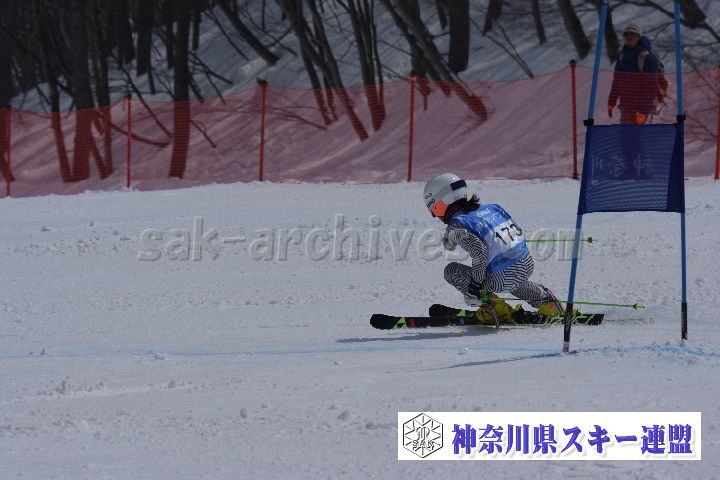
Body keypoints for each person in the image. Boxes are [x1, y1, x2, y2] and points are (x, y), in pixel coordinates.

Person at [423, 173, 563, 322]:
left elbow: (479, 250)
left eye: (434, 211)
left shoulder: (456, 224)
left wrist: (475, 285)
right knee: (513, 278)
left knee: (451, 271)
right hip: (526, 263)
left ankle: (495, 309)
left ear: (440, 204)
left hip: (501, 278)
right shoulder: (493, 208)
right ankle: (546, 301)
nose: (436, 216)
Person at [607, 25, 666, 125]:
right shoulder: (622, 57)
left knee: (639, 134)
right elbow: (617, 81)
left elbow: (651, 87)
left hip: (643, 107)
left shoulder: (646, 58)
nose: (629, 38)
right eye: (627, 35)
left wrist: (643, 111)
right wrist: (611, 101)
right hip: (626, 106)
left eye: (633, 35)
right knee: (626, 134)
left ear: (638, 37)